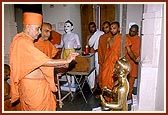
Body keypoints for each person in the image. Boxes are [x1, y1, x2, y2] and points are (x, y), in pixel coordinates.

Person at [9, 12, 78, 111]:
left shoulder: (27, 41)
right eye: (37, 28)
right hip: (33, 88)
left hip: (40, 85)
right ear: (28, 26)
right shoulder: (22, 41)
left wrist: (60, 63)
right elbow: (42, 61)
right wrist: (65, 60)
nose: (39, 32)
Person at [101, 21, 139, 102]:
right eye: (111, 29)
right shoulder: (109, 39)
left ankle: (114, 100)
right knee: (104, 80)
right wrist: (104, 63)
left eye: (114, 28)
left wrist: (135, 59)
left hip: (117, 64)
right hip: (108, 64)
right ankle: (107, 99)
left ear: (118, 29)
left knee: (114, 83)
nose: (112, 30)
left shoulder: (123, 38)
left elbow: (129, 51)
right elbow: (107, 53)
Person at [56, 20, 81, 87]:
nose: (66, 27)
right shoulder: (63, 36)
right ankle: (68, 81)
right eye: (65, 26)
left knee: (71, 68)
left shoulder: (75, 35)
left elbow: (79, 45)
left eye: (68, 26)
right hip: (65, 52)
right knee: (66, 67)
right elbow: (61, 45)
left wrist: (77, 46)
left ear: (72, 27)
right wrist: (57, 46)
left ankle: (73, 82)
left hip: (71, 52)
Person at [86, 22, 104, 90]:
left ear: (95, 27)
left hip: (99, 55)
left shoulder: (101, 34)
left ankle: (99, 87)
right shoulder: (88, 36)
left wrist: (96, 50)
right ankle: (92, 86)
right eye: (90, 27)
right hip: (91, 56)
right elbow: (87, 46)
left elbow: (103, 46)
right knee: (91, 71)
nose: (91, 29)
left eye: (93, 27)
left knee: (99, 71)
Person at [126, 24, 140, 103]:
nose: (131, 32)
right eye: (130, 30)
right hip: (125, 61)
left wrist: (138, 57)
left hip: (134, 62)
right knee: (124, 79)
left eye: (133, 31)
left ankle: (129, 96)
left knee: (131, 80)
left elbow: (139, 51)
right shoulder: (126, 36)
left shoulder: (138, 39)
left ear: (137, 32)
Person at [98, 21, 112, 89]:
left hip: (111, 61)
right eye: (104, 28)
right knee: (101, 77)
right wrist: (100, 61)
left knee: (109, 78)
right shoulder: (101, 37)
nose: (105, 29)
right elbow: (100, 50)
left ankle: (109, 95)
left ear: (110, 27)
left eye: (107, 27)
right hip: (102, 61)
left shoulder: (113, 37)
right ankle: (102, 93)